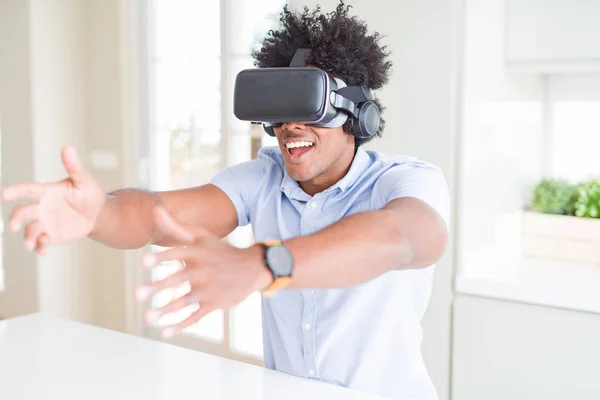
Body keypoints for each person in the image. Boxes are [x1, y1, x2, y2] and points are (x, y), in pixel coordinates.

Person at [2, 2, 449, 399]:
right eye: (277, 109)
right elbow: (158, 216)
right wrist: (102, 211)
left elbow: (401, 239)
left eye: (307, 105)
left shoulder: (404, 182)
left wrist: (264, 263)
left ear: (357, 113)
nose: (288, 126)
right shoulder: (262, 179)